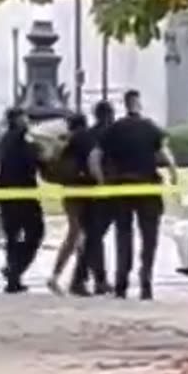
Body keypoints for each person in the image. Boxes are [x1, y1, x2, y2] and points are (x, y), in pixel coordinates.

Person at [89, 90, 178, 300]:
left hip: (121, 187)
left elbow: (94, 157)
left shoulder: (114, 129)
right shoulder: (150, 128)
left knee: (124, 235)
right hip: (147, 187)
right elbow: (165, 153)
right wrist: (174, 173)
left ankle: (122, 282)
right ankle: (145, 279)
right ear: (138, 104)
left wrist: (102, 180)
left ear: (125, 104)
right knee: (149, 237)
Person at [0, 107, 45, 294]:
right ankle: (15, 270)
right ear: (17, 120)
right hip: (23, 193)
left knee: (12, 237)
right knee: (36, 232)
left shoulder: (6, 139)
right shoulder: (22, 138)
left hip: (6, 193)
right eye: (24, 117)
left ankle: (13, 276)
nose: (27, 121)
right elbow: (35, 159)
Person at [70, 100, 116, 296]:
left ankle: (97, 279)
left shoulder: (85, 135)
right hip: (101, 190)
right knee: (95, 237)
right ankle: (81, 280)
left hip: (81, 191)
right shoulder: (107, 135)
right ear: (109, 115)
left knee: (94, 237)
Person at [47, 113, 91, 295]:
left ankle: (66, 276)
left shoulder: (65, 142)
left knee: (76, 234)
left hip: (69, 191)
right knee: (79, 236)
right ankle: (71, 279)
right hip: (85, 191)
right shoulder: (86, 140)